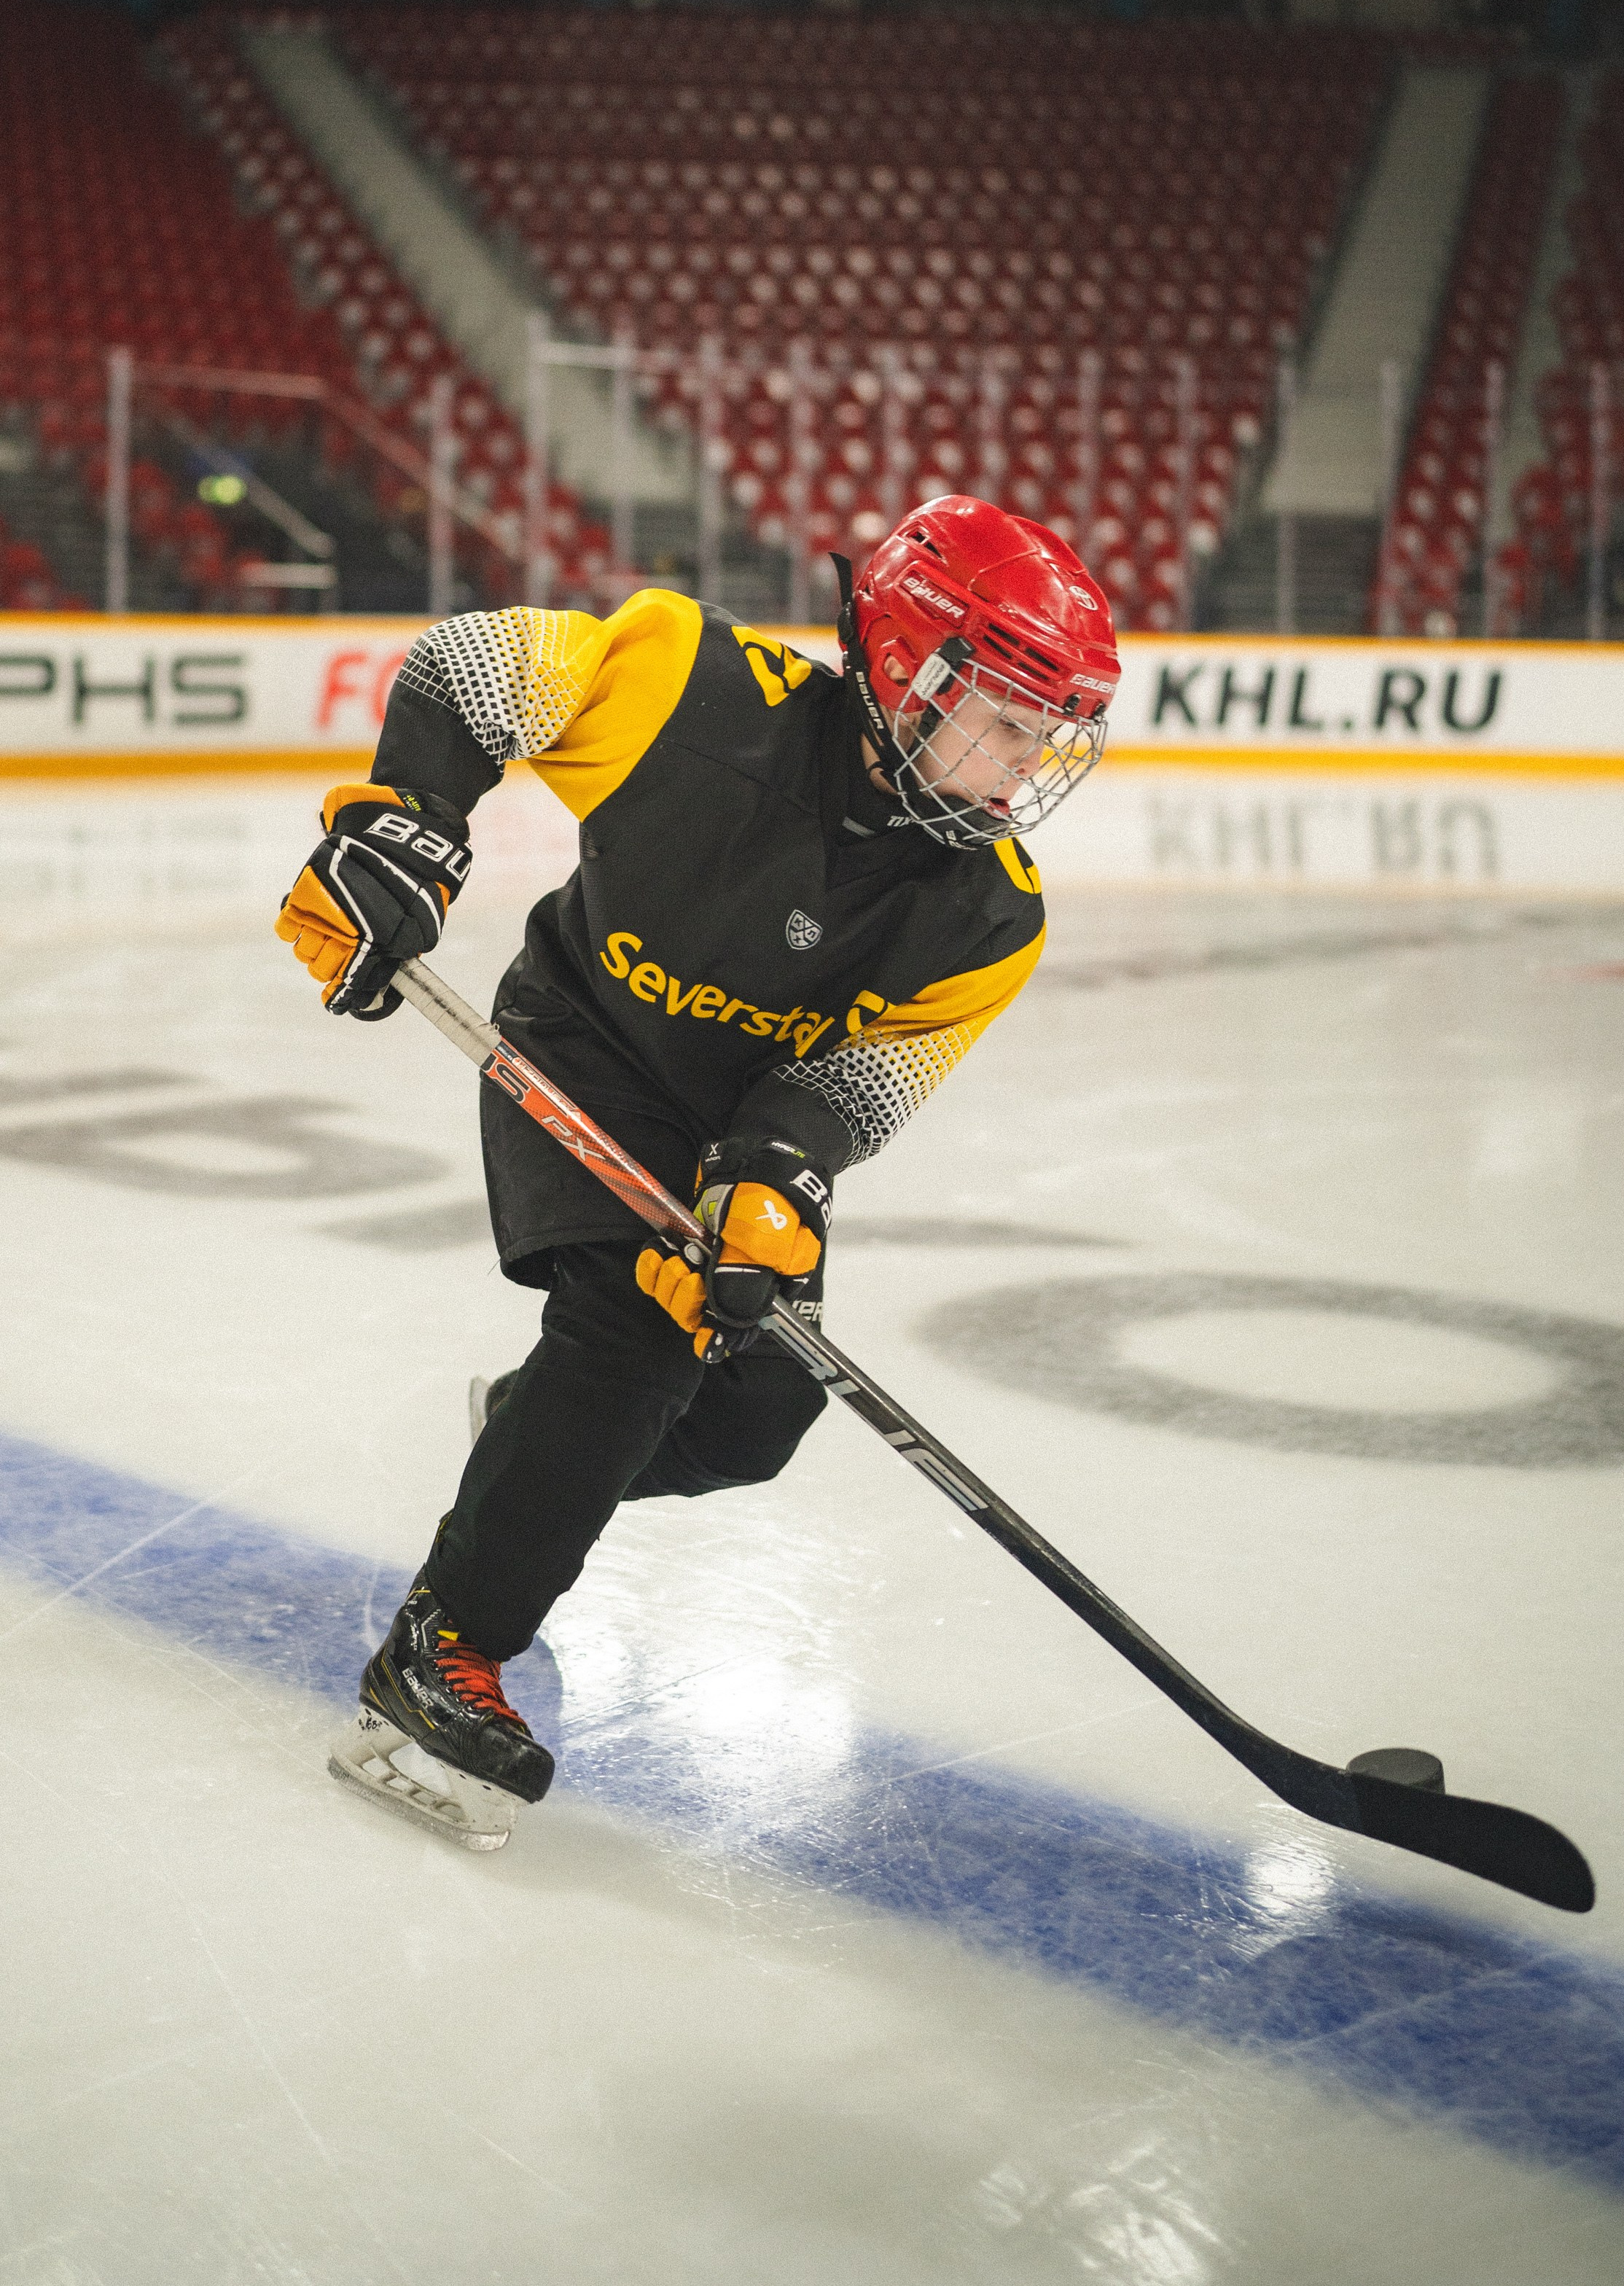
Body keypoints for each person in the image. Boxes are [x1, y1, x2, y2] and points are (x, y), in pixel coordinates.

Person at [277, 495, 1121, 1846]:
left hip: (736, 1117)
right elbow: (470, 666)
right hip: (589, 1040)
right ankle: (441, 1649)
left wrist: (782, 1171)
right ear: (915, 671)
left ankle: (535, 1437)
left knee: (753, 1420)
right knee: (638, 1327)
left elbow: (868, 1072)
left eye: (1042, 733)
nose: (1026, 768)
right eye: (1009, 720)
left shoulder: (990, 911)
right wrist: (408, 824)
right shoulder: (693, 686)